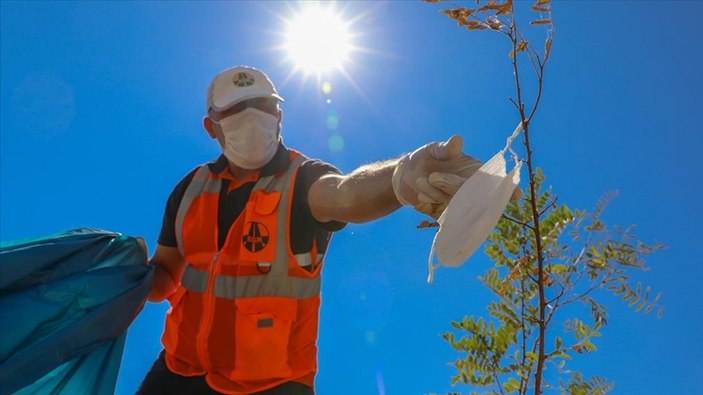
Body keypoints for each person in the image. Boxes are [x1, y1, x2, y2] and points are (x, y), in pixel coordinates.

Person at [137, 66, 483, 395]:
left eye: (264, 105)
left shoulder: (302, 179)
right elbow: (165, 273)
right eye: (238, 108)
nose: (254, 116)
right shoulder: (191, 189)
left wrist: (397, 177)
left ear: (280, 116)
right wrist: (123, 275)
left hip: (274, 385)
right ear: (211, 126)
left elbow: (344, 194)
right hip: (179, 372)